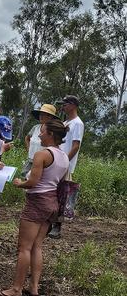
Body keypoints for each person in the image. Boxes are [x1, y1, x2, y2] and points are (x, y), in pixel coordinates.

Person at [0, 120, 70, 296]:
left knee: (24, 247)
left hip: (37, 202)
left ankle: (16, 289)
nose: (39, 135)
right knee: (37, 246)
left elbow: (33, 182)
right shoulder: (64, 156)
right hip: (52, 203)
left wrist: (19, 183)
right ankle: (34, 287)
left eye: (42, 131)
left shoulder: (41, 155)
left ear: (51, 134)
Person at [49, 95, 84, 239]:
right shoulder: (65, 122)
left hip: (65, 165)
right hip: (57, 162)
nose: (63, 106)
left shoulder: (77, 124)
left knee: (62, 195)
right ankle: (50, 223)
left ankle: (57, 227)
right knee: (53, 193)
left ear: (73, 105)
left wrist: (64, 160)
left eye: (65, 104)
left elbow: (76, 146)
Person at [21, 103, 59, 177]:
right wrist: (29, 149)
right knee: (25, 179)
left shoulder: (52, 131)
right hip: (30, 159)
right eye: (40, 114)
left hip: (42, 163)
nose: (41, 116)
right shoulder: (36, 128)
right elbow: (27, 138)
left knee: (36, 182)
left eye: (43, 114)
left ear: (50, 117)